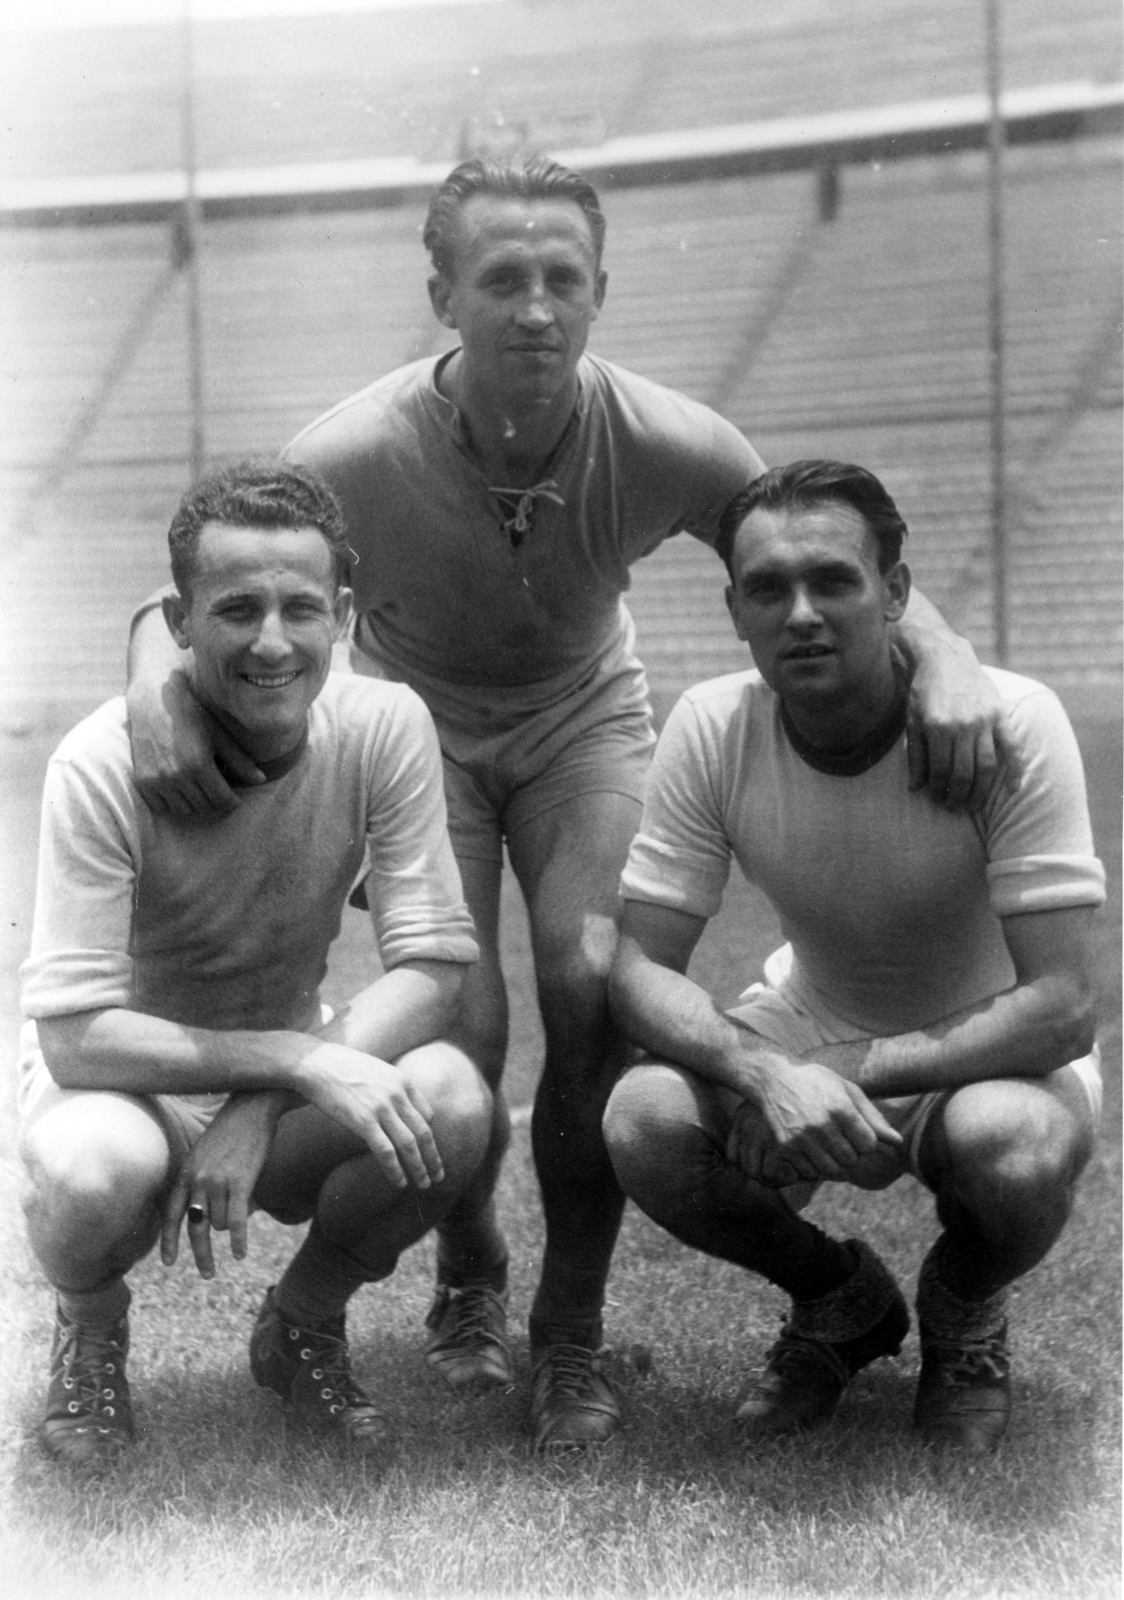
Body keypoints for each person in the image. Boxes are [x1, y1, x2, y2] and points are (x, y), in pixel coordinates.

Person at [123, 158, 1017, 1452]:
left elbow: (808, 531)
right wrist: (154, 670)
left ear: (600, 290)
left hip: (580, 719)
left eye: (561, 279)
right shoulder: (356, 449)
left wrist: (944, 657)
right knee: (466, 1022)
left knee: (588, 978)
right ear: (445, 293)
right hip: (423, 726)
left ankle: (571, 1336)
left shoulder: (666, 435)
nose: (534, 307)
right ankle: (470, 1277)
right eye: (502, 279)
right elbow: (206, 566)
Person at [604, 459, 1104, 1453]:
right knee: (643, 1119)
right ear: (733, 608)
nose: (799, 613)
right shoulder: (711, 724)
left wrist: (856, 1070)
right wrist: (763, 1071)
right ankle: (837, 1302)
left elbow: (1059, 1004)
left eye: (832, 580)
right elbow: (633, 966)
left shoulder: (1008, 720)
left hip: (982, 1039)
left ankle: (960, 1313)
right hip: (807, 1018)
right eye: (767, 589)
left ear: (895, 594)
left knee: (1018, 1152)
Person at [18, 461, 489, 1471]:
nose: (272, 641)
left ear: (345, 616)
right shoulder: (98, 762)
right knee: (86, 1171)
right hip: (127, 1088)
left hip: (270, 1085)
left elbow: (435, 964)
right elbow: (73, 1030)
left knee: (449, 1098)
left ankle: (302, 1324)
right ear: (180, 623)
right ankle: (90, 1332)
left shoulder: (384, 723)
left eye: (300, 609)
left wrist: (268, 1092)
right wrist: (291, 1060)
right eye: (236, 609)